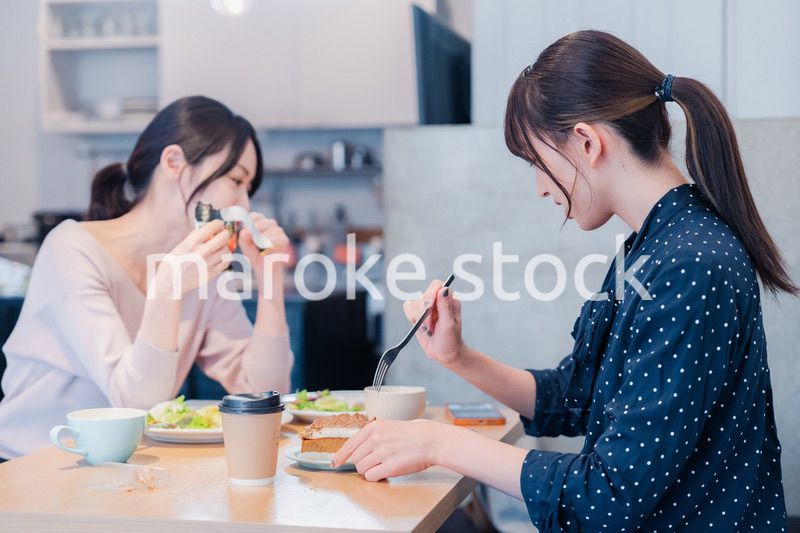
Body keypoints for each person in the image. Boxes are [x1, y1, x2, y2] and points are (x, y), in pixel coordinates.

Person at [333, 30, 790, 532]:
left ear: (587, 141)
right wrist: (456, 356)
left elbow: (609, 496)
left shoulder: (689, 264)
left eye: (537, 162)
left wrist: (441, 444)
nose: (539, 186)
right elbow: (576, 398)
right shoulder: (651, 247)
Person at [0, 96, 292, 460]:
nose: (245, 206)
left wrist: (270, 282)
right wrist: (167, 289)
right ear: (173, 162)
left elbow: (265, 392)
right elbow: (133, 403)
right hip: (34, 468)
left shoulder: (202, 270)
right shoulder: (71, 249)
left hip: (125, 469)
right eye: (236, 180)